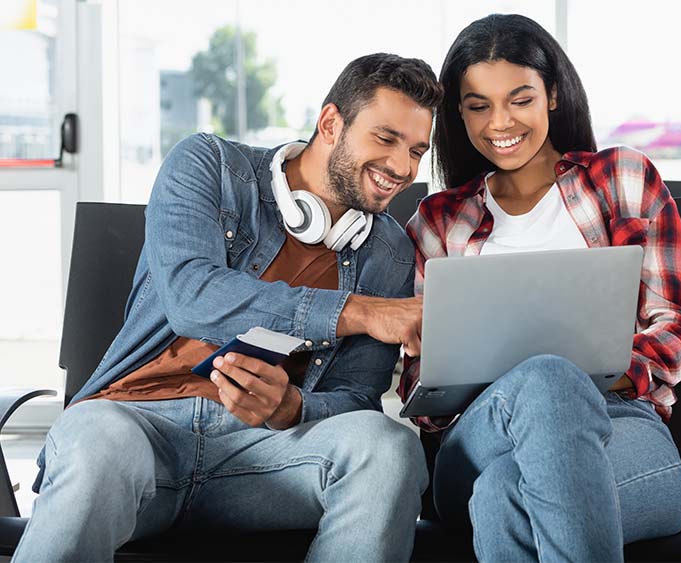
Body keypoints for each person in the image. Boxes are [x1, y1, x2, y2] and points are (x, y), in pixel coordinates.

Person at [15, 53, 442, 562]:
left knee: (389, 449)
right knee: (95, 441)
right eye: (386, 138)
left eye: (417, 150)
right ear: (331, 123)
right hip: (137, 429)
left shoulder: (389, 252)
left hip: (265, 457)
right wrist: (358, 310)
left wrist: (293, 409)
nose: (403, 167)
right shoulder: (209, 166)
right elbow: (192, 295)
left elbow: (354, 396)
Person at [398, 14, 681, 562]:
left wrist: (592, 377)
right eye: (478, 105)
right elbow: (420, 390)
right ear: (459, 115)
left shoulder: (623, 179)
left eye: (520, 99)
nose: (501, 122)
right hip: (480, 439)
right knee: (543, 378)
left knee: (504, 497)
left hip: (625, 434)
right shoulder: (437, 222)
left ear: (554, 95)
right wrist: (514, 384)